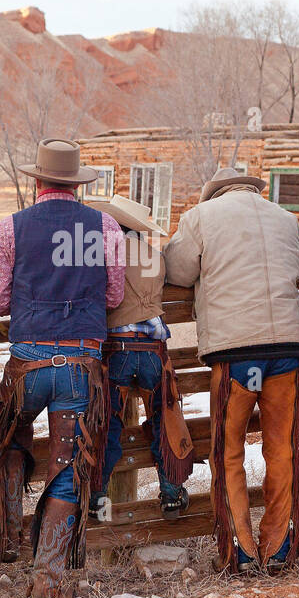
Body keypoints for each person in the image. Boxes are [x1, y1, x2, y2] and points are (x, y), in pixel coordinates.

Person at [0, 139, 123, 598]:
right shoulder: (104, 226)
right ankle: (49, 579)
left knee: (5, 439)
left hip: (28, 362)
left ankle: (4, 540)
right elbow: (114, 296)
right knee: (68, 467)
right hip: (81, 362)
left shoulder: (10, 228)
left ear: (37, 181)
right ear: (76, 183)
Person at [165, 168, 299, 575]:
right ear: (253, 191)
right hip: (287, 349)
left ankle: (240, 551)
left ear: (215, 192)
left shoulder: (201, 217)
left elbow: (177, 272)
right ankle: (279, 548)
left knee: (228, 451)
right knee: (282, 447)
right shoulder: (285, 217)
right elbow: (298, 267)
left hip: (237, 353)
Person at [87, 195, 193, 521]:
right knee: (166, 415)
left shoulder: (107, 253)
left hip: (117, 347)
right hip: (153, 350)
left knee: (108, 420)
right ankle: (172, 492)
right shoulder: (155, 256)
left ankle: (97, 494)